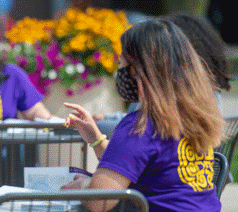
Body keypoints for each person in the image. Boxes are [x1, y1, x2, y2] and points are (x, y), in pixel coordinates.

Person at [61, 19, 224, 211]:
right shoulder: (192, 116)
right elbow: (139, 167)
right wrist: (96, 139)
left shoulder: (140, 125)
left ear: (138, 72)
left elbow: (100, 201)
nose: (118, 70)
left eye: (121, 61)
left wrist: (82, 186)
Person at [93, 12, 230, 122]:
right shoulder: (202, 92)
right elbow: (140, 119)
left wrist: (96, 136)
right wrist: (107, 118)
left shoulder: (168, 93)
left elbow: (142, 128)